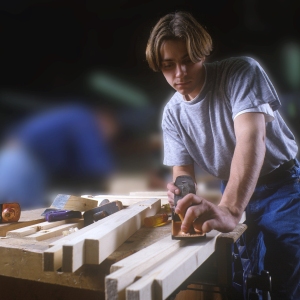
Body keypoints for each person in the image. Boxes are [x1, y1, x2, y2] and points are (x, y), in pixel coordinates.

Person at [145, 11, 300, 300]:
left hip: (281, 186)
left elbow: (252, 139)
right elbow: (182, 174)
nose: (179, 74)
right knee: (243, 277)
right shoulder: (172, 113)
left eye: (187, 60)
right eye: (168, 66)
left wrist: (230, 210)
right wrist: (182, 199)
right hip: (232, 187)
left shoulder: (241, 72)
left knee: (283, 276)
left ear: (202, 53)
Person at [0, 102, 119, 210]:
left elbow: (78, 165)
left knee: (17, 212)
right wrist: (115, 179)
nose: (106, 139)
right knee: (20, 213)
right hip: (22, 161)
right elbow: (95, 160)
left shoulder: (74, 118)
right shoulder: (84, 118)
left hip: (21, 159)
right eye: (110, 131)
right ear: (105, 119)